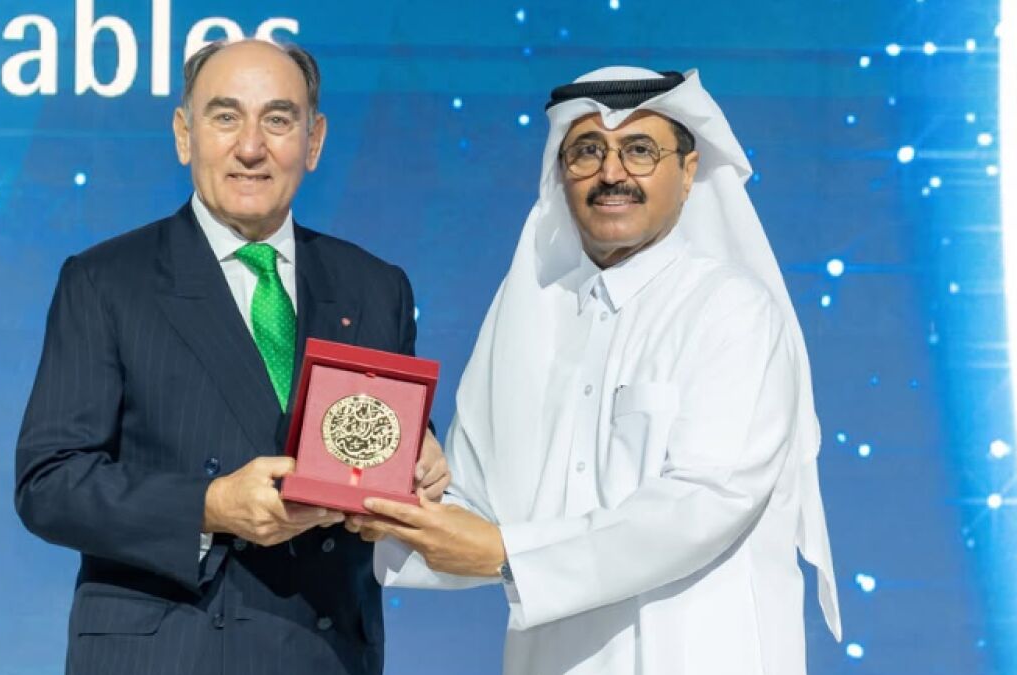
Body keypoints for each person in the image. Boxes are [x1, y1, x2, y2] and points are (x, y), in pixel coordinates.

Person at [351, 66, 842, 674]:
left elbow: (706, 501)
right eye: (587, 151)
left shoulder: (731, 311)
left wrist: (511, 556)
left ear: (689, 171)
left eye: (639, 150)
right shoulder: (528, 315)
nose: (612, 174)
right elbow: (476, 501)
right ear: (561, 171)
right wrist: (387, 504)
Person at [15, 39, 448, 675]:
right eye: (225, 117)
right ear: (184, 134)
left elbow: (377, 438)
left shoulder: (375, 287)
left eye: (278, 120)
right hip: (170, 653)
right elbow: (49, 484)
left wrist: (420, 460)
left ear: (314, 141)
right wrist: (209, 504)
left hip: (324, 653)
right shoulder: (106, 281)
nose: (250, 147)